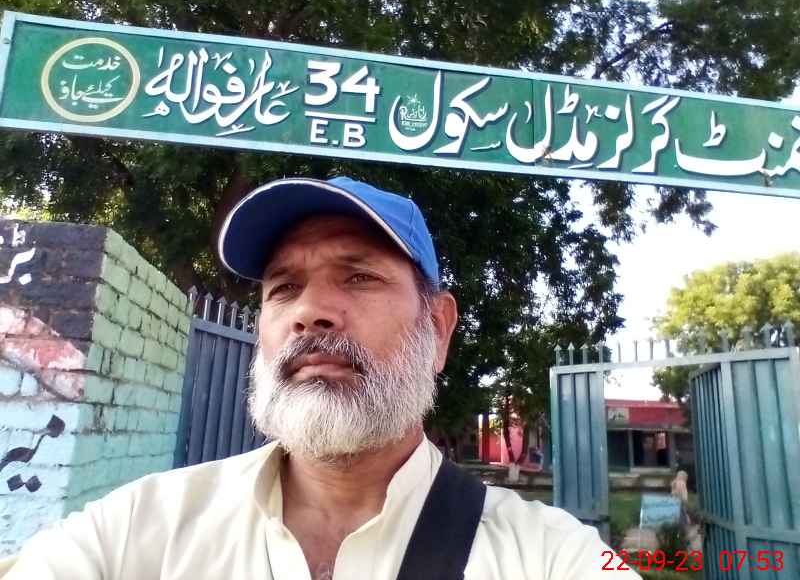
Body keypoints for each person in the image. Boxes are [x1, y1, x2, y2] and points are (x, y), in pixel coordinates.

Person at [1, 176, 640, 579]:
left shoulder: (550, 555)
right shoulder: (141, 527)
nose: (309, 312)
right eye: (284, 288)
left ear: (439, 328)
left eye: (359, 277)